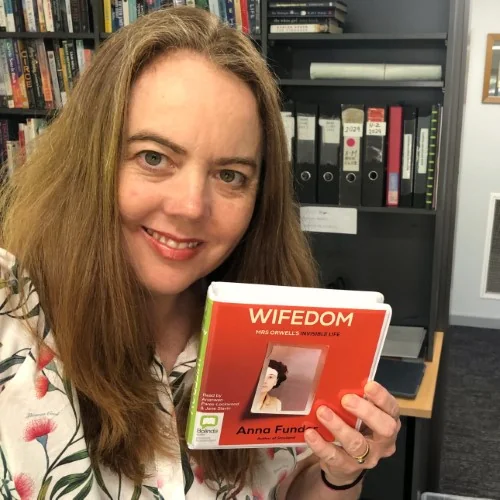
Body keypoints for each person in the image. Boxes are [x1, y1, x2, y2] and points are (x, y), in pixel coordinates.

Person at [0, 6, 401, 499]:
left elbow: (287, 485)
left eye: (230, 175)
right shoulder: (12, 313)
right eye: (154, 158)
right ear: (92, 159)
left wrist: (340, 471)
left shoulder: (274, 324)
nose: (191, 206)